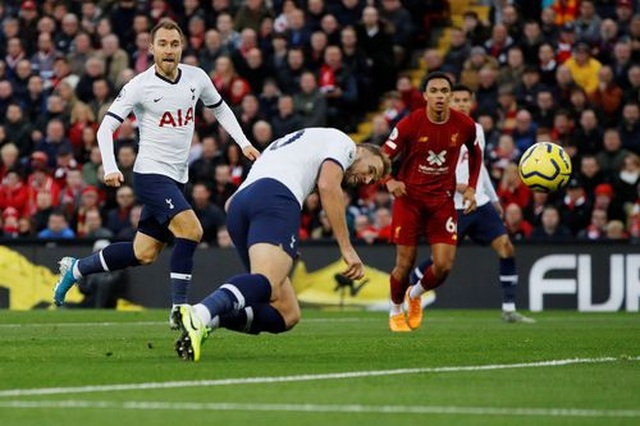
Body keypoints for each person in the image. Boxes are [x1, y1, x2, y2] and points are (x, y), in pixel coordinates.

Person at [52, 20, 260, 327]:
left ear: (181, 48)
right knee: (191, 230)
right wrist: (109, 167)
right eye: (162, 44)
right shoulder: (140, 85)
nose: (169, 50)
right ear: (151, 48)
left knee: (144, 252)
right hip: (150, 175)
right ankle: (179, 310)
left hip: (177, 178)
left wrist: (243, 143)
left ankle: (77, 269)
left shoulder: (196, 78)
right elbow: (106, 127)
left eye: (174, 44)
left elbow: (220, 108)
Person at [174, 128, 390, 361]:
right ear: (361, 150)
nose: (367, 180)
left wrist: (273, 234)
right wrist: (347, 248)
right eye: (371, 170)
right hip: (275, 198)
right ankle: (200, 313)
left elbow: (230, 203)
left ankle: (207, 322)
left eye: (373, 180)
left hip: (239, 206)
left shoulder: (295, 143)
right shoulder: (345, 143)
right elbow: (328, 185)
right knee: (266, 282)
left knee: (286, 312)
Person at [409, 85, 535, 324]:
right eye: (456, 99)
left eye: (465, 99)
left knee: (506, 247)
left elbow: (480, 165)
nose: (461, 104)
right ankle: (407, 289)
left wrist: (493, 198)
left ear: (472, 102)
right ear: (447, 101)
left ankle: (509, 309)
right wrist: (456, 184)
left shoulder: (476, 129)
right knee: (441, 263)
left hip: (480, 203)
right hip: (450, 206)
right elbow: (428, 169)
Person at [382, 72, 482, 332]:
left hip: (442, 202)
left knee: (444, 266)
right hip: (409, 201)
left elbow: (475, 152)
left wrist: (471, 187)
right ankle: (394, 310)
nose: (440, 96)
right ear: (425, 96)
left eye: (444, 91)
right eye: (434, 91)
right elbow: (383, 155)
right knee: (404, 265)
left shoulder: (464, 125)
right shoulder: (409, 124)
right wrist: (389, 181)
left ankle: (414, 295)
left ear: (450, 96)